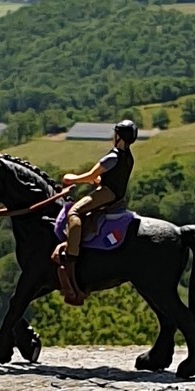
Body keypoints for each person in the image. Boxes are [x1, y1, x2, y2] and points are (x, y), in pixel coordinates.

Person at [56, 119, 138, 296]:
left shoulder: (113, 156)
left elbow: (90, 175)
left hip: (107, 193)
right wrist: (100, 180)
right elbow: (115, 177)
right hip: (117, 195)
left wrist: (71, 179)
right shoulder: (129, 157)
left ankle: (71, 255)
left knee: (74, 212)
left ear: (119, 137)